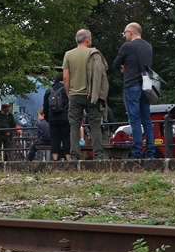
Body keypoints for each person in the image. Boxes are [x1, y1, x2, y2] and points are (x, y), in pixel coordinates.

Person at [62, 28, 109, 160]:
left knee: (74, 126)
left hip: (75, 95)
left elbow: (65, 77)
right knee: (95, 125)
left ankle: (75, 155)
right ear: (87, 40)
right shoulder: (94, 54)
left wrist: (69, 93)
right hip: (92, 95)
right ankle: (98, 155)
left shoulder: (68, 54)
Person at [112, 22, 155, 159]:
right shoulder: (148, 46)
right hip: (146, 86)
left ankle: (136, 152)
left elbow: (115, 64)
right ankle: (150, 152)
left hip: (132, 85)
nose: (125, 35)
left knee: (134, 120)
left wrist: (123, 68)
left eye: (125, 32)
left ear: (130, 32)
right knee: (146, 120)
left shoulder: (127, 46)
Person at [44, 73, 72, 161]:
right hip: (65, 117)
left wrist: (47, 118)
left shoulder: (49, 91)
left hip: (53, 118)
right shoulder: (66, 90)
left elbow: (45, 106)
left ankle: (55, 159)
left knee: (54, 138)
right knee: (66, 137)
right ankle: (68, 158)